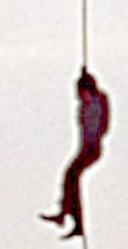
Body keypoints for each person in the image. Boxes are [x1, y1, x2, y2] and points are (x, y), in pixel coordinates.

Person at [40, 68, 110, 240]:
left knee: (72, 176)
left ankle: (68, 216)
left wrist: (86, 78)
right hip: (86, 148)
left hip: (91, 148)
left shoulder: (96, 101)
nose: (77, 96)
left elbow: (102, 119)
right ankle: (66, 214)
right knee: (71, 177)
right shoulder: (85, 105)